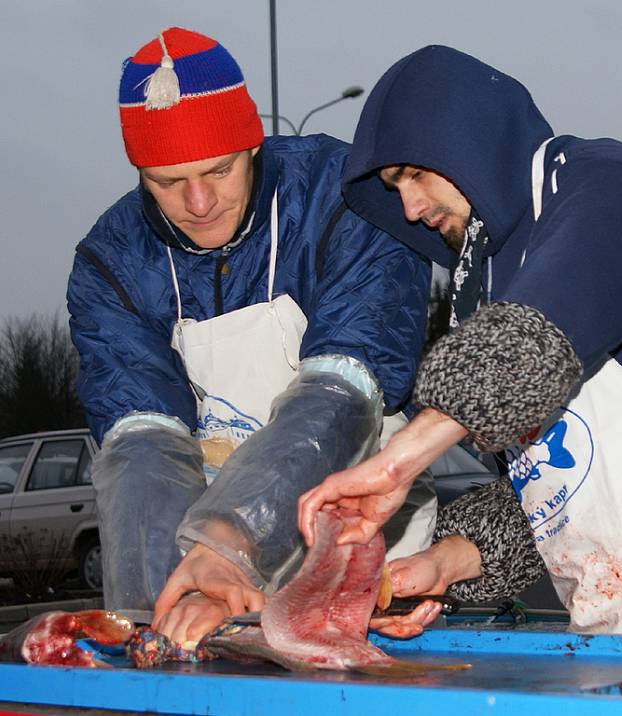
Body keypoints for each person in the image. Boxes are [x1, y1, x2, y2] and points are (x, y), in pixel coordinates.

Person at [299, 45, 622, 639]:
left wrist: (393, 464)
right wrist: (445, 561)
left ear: (467, 138)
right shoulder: (486, 283)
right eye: (391, 186)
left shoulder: (607, 186)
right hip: (607, 625)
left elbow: (528, 343)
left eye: (414, 173)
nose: (408, 207)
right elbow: (562, 490)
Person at [67, 27, 436, 645]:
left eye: (220, 168)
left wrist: (231, 541)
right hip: (203, 568)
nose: (200, 200)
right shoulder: (113, 261)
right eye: (167, 182)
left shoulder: (345, 199)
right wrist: (164, 613)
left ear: (253, 144)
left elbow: (342, 396)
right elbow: (143, 450)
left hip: (355, 557)